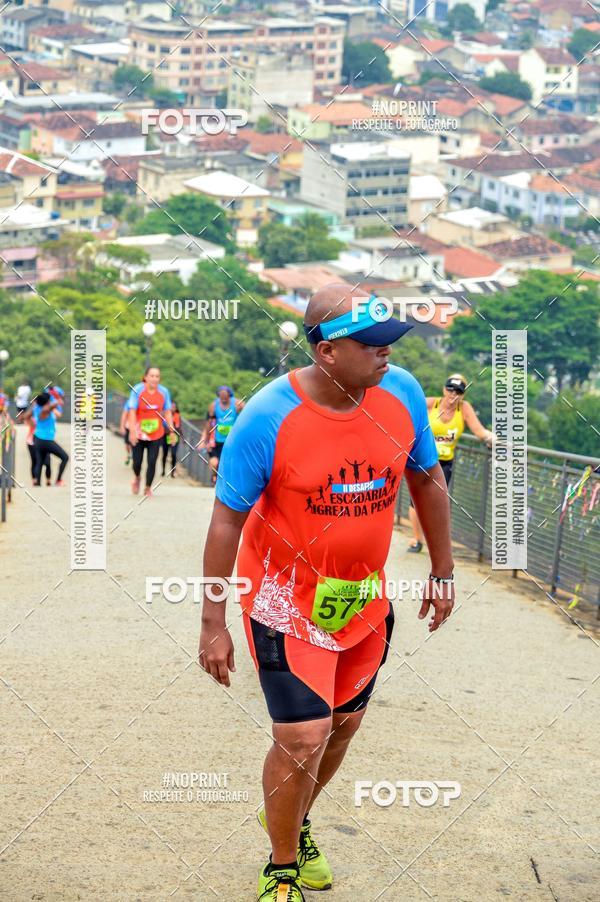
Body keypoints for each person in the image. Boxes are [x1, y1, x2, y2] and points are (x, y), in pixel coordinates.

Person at [199, 285, 455, 901]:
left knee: (342, 725)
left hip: (364, 599)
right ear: (327, 352)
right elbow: (225, 521)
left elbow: (427, 478)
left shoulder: (403, 394)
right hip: (285, 601)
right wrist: (212, 621)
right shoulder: (266, 417)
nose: (385, 354)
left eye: (388, 341)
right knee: (302, 735)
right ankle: (281, 867)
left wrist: (442, 571)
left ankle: (293, 816)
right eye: (370, 345)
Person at [408, 373, 494, 553]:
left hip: (444, 463)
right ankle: (417, 540)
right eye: (450, 389)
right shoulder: (432, 403)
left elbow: (479, 431)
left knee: (437, 502)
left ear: (463, 395)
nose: (453, 394)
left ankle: (436, 544)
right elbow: (407, 407)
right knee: (415, 501)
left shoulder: (464, 409)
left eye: (458, 391)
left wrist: (495, 439)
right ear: (444, 390)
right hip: (422, 458)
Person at [127, 366, 174, 497]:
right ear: (146, 377)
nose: (154, 379)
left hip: (156, 433)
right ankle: (137, 477)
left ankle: (147, 487)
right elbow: (131, 411)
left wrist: (171, 430)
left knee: (152, 461)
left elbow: (168, 411)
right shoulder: (137, 390)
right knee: (137, 462)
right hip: (139, 433)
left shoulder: (164, 392)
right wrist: (131, 431)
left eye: (157, 376)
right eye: (152, 376)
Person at [197, 386, 244, 485]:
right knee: (214, 463)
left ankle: (226, 481)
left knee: (228, 463)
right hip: (216, 440)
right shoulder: (214, 406)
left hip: (231, 440)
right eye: (221, 396)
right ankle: (214, 476)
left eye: (225, 396)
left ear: (229, 396)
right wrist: (204, 440)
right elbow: (209, 424)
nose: (223, 399)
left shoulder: (236, 404)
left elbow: (248, 412)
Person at [24, 391, 69, 486]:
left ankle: (37, 483)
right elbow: (48, 408)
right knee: (65, 457)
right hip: (45, 440)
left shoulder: (36, 408)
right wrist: (57, 401)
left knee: (39, 462)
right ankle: (58, 480)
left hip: (38, 438)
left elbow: (26, 416)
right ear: (47, 401)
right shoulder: (44, 410)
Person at [161, 401, 182, 477]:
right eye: (171, 407)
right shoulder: (165, 415)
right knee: (165, 454)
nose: (173, 408)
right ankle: (163, 470)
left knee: (173, 454)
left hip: (174, 437)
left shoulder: (177, 415)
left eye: (174, 407)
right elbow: (163, 426)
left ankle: (172, 472)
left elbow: (179, 427)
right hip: (165, 436)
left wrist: (182, 437)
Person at [119, 399, 132, 465]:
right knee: (127, 444)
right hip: (128, 427)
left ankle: (133, 455)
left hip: (136, 429)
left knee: (134, 444)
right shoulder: (129, 402)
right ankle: (128, 454)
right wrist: (122, 426)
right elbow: (124, 414)